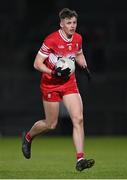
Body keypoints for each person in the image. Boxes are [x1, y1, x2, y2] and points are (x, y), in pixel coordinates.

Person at [22, 7, 95, 171]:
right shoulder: (51, 40)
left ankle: (80, 159)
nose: (72, 26)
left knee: (78, 119)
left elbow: (78, 53)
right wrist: (53, 71)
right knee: (51, 124)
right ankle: (28, 137)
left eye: (74, 22)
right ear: (61, 24)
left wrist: (84, 65)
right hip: (50, 84)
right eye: (68, 23)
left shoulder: (77, 38)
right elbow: (37, 64)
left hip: (69, 83)